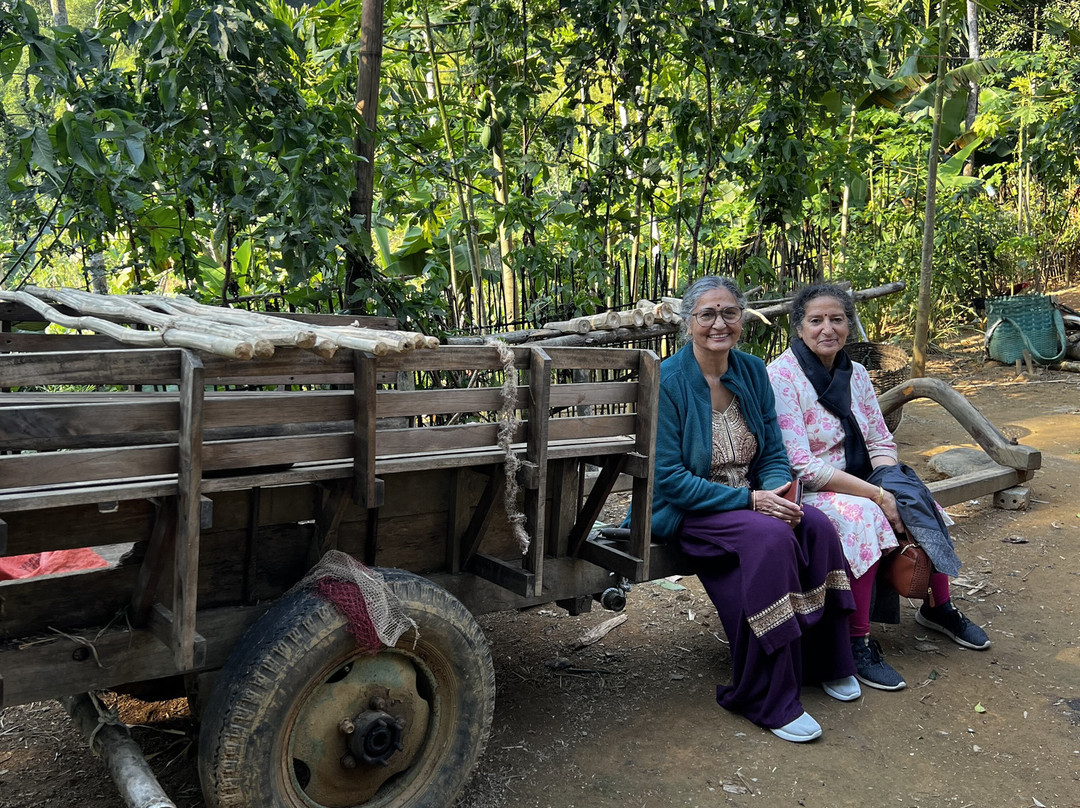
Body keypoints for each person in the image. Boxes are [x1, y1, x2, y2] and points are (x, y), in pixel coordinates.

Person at [651, 276, 859, 743]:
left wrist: (775, 493)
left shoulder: (750, 370)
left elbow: (772, 453)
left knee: (816, 526)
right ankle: (767, 696)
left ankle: (826, 661)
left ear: (742, 319)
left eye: (729, 313)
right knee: (771, 537)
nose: (719, 324)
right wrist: (751, 501)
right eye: (707, 314)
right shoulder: (669, 381)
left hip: (751, 500)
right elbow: (669, 480)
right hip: (690, 510)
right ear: (688, 322)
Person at [767, 283, 991, 692]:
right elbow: (801, 463)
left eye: (837, 319)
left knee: (917, 496)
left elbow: (879, 439)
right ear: (799, 328)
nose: (827, 328)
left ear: (849, 325)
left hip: (864, 478)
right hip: (811, 488)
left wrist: (890, 483)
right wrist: (876, 495)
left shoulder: (855, 374)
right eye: (816, 320)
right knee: (866, 515)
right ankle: (857, 641)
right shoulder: (781, 377)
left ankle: (937, 606)